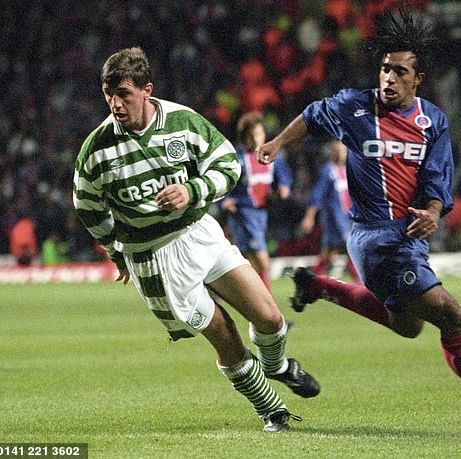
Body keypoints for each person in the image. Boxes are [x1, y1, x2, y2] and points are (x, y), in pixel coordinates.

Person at [257, 6, 461, 424]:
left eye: (399, 72)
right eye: (384, 69)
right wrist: (278, 143)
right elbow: (312, 114)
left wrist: (432, 211)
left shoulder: (432, 121)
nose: (389, 78)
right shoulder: (355, 108)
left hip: (409, 236)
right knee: (450, 313)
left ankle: (320, 286)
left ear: (418, 79)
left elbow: (437, 178)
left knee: (407, 325)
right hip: (374, 237)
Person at [73, 47, 319, 432]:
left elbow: (229, 165)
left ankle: (278, 366)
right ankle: (271, 410)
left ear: (146, 90)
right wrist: (116, 253)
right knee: (227, 338)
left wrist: (192, 190)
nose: (115, 104)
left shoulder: (182, 121)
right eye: (108, 95)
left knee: (271, 318)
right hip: (154, 259)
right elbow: (87, 207)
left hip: (198, 233)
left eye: (123, 94)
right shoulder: (96, 150)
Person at [219, 111, 292, 292]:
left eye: (259, 134)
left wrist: (283, 188)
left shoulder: (273, 157)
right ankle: (271, 312)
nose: (256, 138)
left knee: (247, 265)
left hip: (262, 215)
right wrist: (226, 199)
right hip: (243, 214)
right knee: (263, 263)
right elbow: (223, 183)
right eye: (252, 135)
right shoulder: (237, 159)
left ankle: (221, 295)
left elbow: (283, 180)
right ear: (245, 137)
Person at [299, 139, 360, 281]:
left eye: (344, 151)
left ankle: (309, 281)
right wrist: (309, 216)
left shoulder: (346, 171)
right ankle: (360, 282)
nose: (342, 154)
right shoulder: (327, 170)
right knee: (351, 248)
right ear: (333, 153)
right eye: (338, 151)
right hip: (334, 218)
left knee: (328, 254)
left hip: (345, 218)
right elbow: (317, 195)